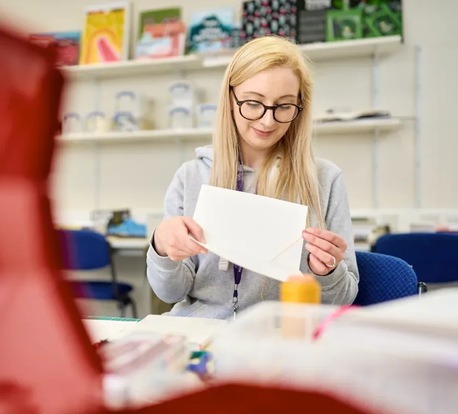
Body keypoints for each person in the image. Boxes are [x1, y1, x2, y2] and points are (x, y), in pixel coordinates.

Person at [146, 36, 358, 320]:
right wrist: (161, 247)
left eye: (283, 106)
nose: (267, 121)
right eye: (253, 103)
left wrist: (328, 272)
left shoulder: (325, 179)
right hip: (201, 334)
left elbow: (342, 298)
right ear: (230, 99)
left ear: (299, 108)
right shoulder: (190, 177)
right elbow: (170, 293)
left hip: (282, 338)